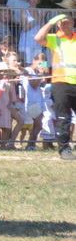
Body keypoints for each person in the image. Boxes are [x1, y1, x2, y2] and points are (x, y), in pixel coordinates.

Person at [30, 12, 76, 159]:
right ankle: (64, 149)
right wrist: (50, 22)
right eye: (62, 22)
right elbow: (38, 38)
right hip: (61, 82)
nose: (65, 24)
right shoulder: (55, 38)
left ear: (73, 23)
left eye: (67, 21)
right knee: (63, 117)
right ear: (58, 24)